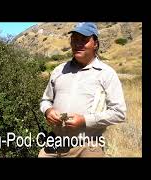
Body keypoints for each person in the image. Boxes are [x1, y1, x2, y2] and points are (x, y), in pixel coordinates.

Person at [38, 22, 127, 157]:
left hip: (87, 148)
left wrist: (84, 120)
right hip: (54, 145)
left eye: (84, 40)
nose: (78, 44)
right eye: (74, 40)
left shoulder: (106, 74)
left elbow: (119, 113)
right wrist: (48, 110)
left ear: (95, 44)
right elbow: (46, 100)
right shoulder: (59, 70)